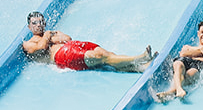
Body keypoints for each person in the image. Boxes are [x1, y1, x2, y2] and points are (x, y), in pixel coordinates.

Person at [22, 11, 153, 72]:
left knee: (106, 54)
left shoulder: (50, 33)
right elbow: (42, 46)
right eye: (34, 23)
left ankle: (140, 67)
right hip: (63, 56)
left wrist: (50, 36)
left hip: (73, 45)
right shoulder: (28, 43)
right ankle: (139, 58)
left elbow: (67, 38)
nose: (38, 25)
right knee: (100, 57)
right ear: (29, 27)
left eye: (41, 22)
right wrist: (48, 35)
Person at [155, 19, 203, 102]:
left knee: (190, 73)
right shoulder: (188, 47)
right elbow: (183, 54)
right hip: (184, 61)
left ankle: (170, 92)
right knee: (178, 64)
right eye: (202, 32)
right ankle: (178, 89)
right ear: (198, 34)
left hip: (199, 65)